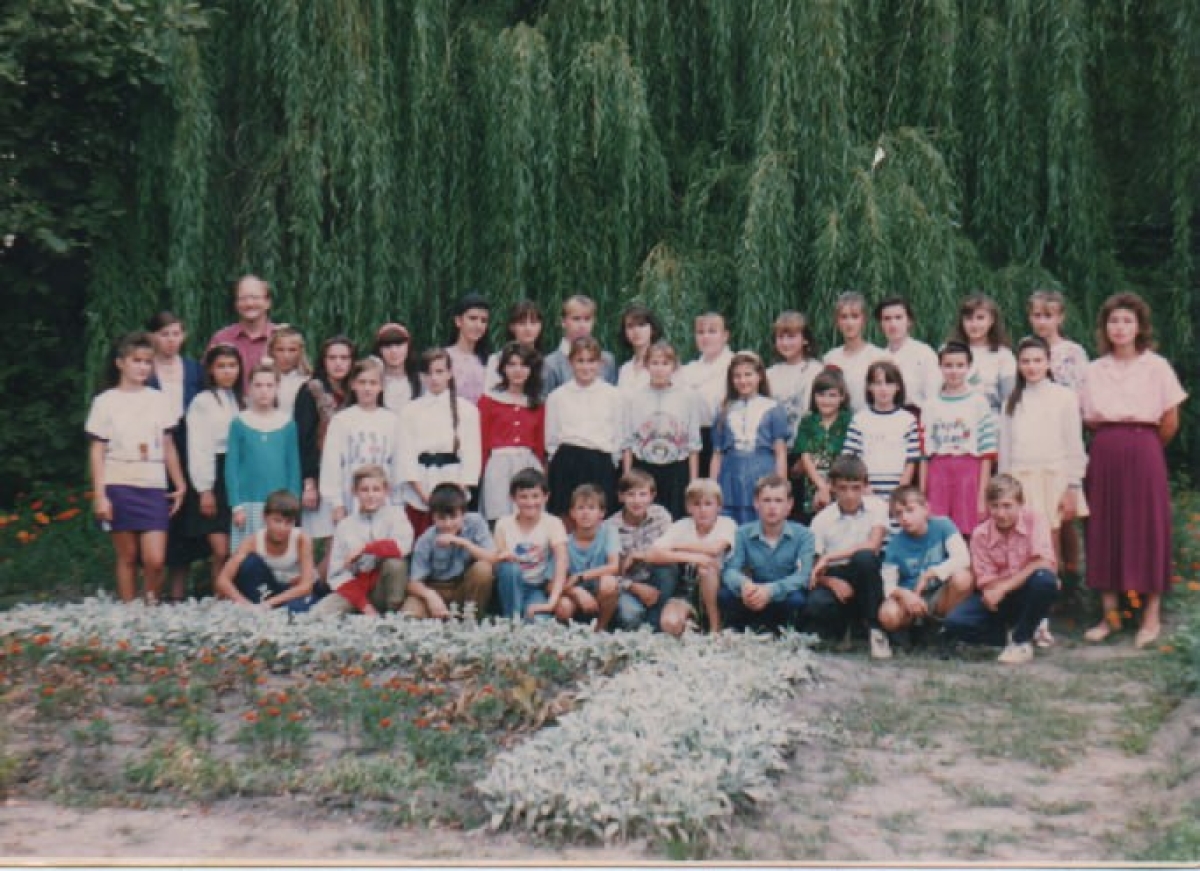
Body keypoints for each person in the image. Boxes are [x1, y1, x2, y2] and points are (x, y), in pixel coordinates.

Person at [1080, 292, 1187, 648]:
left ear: (1139, 326)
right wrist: (1115, 440)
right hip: (1105, 450)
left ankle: (1150, 617)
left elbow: (1170, 421)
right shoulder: (1094, 370)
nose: (1120, 327)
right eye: (1113, 321)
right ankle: (1110, 616)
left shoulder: (1157, 366)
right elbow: (1089, 419)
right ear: (1105, 327)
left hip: (1145, 449)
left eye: (1127, 321)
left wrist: (1143, 446)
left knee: (1148, 528)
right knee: (1104, 526)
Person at [86, 331, 188, 603]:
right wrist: (100, 495)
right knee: (128, 556)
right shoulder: (105, 402)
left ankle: (150, 605)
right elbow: (97, 451)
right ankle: (129, 612)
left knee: (155, 559)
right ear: (120, 363)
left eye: (147, 362)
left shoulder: (159, 400)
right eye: (136, 361)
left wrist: (179, 483)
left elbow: (168, 445)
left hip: (153, 485)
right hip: (119, 483)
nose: (143, 367)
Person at [943, 475, 1060, 664]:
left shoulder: (1035, 520)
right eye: (995, 506)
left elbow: (1045, 562)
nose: (1001, 513)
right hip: (999, 598)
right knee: (955, 623)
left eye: (1007, 506)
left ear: (1020, 504)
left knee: (1045, 580)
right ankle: (1015, 632)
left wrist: (1005, 587)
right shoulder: (980, 534)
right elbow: (987, 582)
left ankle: (1021, 642)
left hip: (1027, 590)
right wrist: (996, 591)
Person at [999, 335, 1087, 578]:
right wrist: (1005, 488)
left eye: (1038, 360)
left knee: (1050, 542)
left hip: (1053, 478)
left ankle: (1051, 591)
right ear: (1018, 365)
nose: (1032, 367)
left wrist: (1073, 486)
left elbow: (1074, 445)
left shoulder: (1064, 397)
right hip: (1020, 479)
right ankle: (1024, 594)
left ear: (1048, 363)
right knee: (1021, 542)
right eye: (1026, 361)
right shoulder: (1011, 402)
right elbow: (1005, 450)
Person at [145, 311, 206, 602]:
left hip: (188, 443)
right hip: (152, 446)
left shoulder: (194, 369)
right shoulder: (144, 369)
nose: (171, 340)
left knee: (184, 517)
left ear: (184, 336)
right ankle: (150, 588)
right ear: (152, 337)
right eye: (164, 334)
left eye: (176, 334)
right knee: (157, 513)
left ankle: (179, 590)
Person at [804, 456, 891, 658]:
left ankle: (876, 630)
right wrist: (831, 582)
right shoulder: (821, 520)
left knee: (865, 558)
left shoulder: (878, 506)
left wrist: (829, 556)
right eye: (843, 488)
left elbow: (873, 545)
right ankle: (844, 629)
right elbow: (813, 568)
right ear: (832, 487)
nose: (850, 495)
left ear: (865, 486)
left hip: (868, 573)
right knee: (817, 604)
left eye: (855, 488)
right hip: (836, 573)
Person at [398, 348, 482, 539]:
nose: (434, 378)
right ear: (421, 376)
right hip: (421, 487)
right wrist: (424, 496)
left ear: (449, 373)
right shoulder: (409, 411)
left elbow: (472, 457)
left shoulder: (467, 410)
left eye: (439, 372)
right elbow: (406, 456)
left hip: (454, 484)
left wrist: (456, 495)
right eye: (428, 373)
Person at [311, 465, 413, 617]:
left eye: (376, 489)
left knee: (396, 564)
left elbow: (402, 547)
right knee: (318, 614)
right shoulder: (345, 526)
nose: (371, 495)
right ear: (354, 491)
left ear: (386, 491)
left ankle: (392, 614)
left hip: (385, 587)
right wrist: (365, 606)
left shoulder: (397, 516)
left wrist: (365, 548)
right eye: (364, 490)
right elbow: (338, 574)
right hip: (357, 589)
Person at [877, 486, 973, 642]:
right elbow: (888, 586)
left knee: (963, 578)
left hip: (939, 593)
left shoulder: (943, 525)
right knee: (888, 615)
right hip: (911, 595)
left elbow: (963, 558)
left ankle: (942, 628)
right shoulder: (894, 545)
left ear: (926, 509)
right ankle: (910, 630)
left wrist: (930, 573)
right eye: (899, 513)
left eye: (910, 510)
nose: (905, 518)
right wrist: (905, 594)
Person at [920, 342, 997, 537]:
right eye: (948, 365)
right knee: (937, 528)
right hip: (938, 471)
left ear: (969, 367)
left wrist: (982, 497)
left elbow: (987, 453)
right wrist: (922, 494)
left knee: (968, 528)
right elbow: (924, 454)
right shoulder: (930, 405)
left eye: (960, 365)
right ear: (940, 366)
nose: (954, 371)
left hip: (968, 470)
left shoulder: (978, 402)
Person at [719, 474, 813, 633]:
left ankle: (783, 631)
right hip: (754, 592)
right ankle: (744, 630)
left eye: (778, 501)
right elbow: (730, 570)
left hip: (783, 593)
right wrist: (745, 585)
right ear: (756, 503)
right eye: (766, 500)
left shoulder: (804, 535)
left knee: (797, 600)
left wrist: (771, 590)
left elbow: (803, 575)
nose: (772, 507)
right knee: (725, 595)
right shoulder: (742, 533)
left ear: (789, 505)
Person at [183, 343, 243, 588]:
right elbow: (200, 446)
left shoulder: (241, 400)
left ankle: (230, 595)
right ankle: (219, 593)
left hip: (238, 472)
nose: (227, 371)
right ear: (210, 370)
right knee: (220, 549)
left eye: (232, 366)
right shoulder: (203, 401)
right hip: (213, 472)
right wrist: (205, 489)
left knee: (236, 546)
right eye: (221, 366)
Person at [621, 340, 702, 519]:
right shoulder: (634, 397)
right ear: (646, 365)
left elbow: (693, 446)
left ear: (675, 366)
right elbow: (627, 443)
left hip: (676, 469)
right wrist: (627, 479)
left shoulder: (688, 397)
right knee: (645, 519)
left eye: (665, 363)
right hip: (644, 468)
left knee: (675, 519)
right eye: (655, 363)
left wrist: (693, 483)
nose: (659, 369)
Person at [225, 362, 301, 552]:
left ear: (277, 388)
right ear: (249, 388)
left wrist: (293, 503)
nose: (264, 391)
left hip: (280, 505)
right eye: (258, 385)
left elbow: (293, 466)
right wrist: (236, 505)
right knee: (247, 557)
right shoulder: (239, 423)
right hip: (248, 504)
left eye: (269, 385)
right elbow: (232, 467)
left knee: (278, 556)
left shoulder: (287, 423)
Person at [646, 478, 737, 635]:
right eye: (696, 504)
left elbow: (714, 549)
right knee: (670, 624)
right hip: (687, 589)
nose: (702, 510)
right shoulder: (682, 525)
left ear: (719, 507)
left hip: (719, 588)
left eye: (708, 504)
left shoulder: (726, 523)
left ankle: (715, 627)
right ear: (688, 507)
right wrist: (693, 558)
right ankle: (695, 620)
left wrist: (677, 546)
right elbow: (651, 554)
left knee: (706, 568)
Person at [545, 337, 623, 517]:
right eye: (580, 361)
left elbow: (618, 435)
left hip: (600, 462)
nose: (586, 367)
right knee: (566, 515)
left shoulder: (613, 396)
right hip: (567, 461)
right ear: (570, 362)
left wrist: (611, 462)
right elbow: (551, 438)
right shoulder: (557, 396)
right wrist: (558, 460)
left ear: (600, 363)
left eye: (591, 361)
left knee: (598, 515)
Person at [319, 357, 402, 524]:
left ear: (381, 386)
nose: (367, 388)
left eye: (373, 383)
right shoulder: (342, 420)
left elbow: (399, 463)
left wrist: (398, 501)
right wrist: (336, 503)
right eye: (362, 382)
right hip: (351, 493)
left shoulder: (392, 420)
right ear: (353, 384)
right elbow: (331, 464)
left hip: (384, 493)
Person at [710, 351, 789, 524]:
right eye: (737, 376)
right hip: (730, 475)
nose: (743, 380)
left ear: (759, 376)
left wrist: (781, 485)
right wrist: (712, 487)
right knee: (729, 522)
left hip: (762, 472)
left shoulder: (773, 408)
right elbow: (717, 454)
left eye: (748, 374)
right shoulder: (724, 410)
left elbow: (780, 452)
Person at [294, 336, 355, 550]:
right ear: (323, 360)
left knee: (346, 540)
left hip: (351, 473)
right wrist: (309, 482)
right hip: (321, 474)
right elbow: (304, 438)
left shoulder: (357, 390)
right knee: (327, 540)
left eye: (344, 358)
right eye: (332, 358)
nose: (338, 363)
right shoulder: (311, 390)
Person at [403, 483, 496, 619]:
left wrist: (462, 542)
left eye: (453, 517)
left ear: (463, 514)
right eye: (441, 518)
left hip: (464, 586)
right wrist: (430, 596)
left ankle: (471, 620)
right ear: (433, 517)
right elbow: (413, 583)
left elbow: (492, 558)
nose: (448, 524)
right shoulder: (426, 540)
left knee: (483, 569)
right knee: (410, 612)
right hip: (436, 587)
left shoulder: (475, 523)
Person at [214, 490, 317, 611]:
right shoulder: (252, 541)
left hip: (293, 591)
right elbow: (223, 580)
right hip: (266, 589)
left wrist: (267, 604)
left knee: (295, 609)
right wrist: (245, 604)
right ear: (265, 517)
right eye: (277, 521)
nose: (282, 528)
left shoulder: (301, 539)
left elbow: (306, 586)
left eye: (288, 522)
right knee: (249, 563)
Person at [478, 342, 546, 522]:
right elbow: (482, 441)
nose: (518, 370)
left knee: (529, 513)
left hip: (527, 464)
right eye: (512, 364)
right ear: (503, 368)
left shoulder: (536, 403)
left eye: (524, 365)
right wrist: (481, 472)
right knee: (499, 515)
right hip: (498, 465)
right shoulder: (489, 401)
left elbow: (539, 443)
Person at [766, 311, 823, 516]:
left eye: (791, 336)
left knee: (804, 510)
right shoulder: (770, 374)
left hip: (807, 452)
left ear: (805, 339)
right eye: (780, 337)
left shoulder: (816, 370)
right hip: (777, 452)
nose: (785, 342)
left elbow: (820, 415)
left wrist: (805, 455)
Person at [604, 469, 676, 630]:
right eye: (631, 495)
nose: (637, 501)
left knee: (668, 569)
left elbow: (672, 552)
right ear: (621, 497)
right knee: (631, 615)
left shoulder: (660, 516)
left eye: (643, 494)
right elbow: (608, 572)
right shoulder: (610, 527)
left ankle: (655, 623)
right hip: (627, 584)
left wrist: (640, 555)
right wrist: (634, 587)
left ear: (652, 496)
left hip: (656, 579)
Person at [493, 468, 569, 620]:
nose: (530, 502)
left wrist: (551, 603)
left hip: (536, 587)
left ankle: (523, 617)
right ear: (513, 498)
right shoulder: (503, 524)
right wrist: (501, 557)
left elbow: (562, 561)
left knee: (539, 623)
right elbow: (496, 565)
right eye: (523, 497)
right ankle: (511, 620)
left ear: (546, 497)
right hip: (510, 585)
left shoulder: (553, 523)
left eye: (535, 496)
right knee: (510, 568)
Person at [842, 361, 920, 505]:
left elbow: (911, 460)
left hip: (897, 490)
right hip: (867, 490)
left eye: (889, 383)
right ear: (869, 387)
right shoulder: (859, 420)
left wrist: (901, 489)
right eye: (878, 383)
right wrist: (864, 485)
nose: (883, 389)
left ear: (898, 387)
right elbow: (850, 457)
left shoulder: (908, 420)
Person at [551, 484, 621, 630]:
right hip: (575, 594)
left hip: (599, 591)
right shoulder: (565, 542)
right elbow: (549, 584)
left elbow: (614, 566)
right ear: (572, 513)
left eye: (591, 508)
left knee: (609, 582)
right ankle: (568, 634)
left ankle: (600, 630)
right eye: (580, 508)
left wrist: (580, 576)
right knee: (563, 606)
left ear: (602, 513)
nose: (585, 513)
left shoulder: (609, 532)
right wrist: (576, 592)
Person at [676, 312, 734, 477]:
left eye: (712, 331)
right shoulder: (688, 370)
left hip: (725, 436)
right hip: (694, 438)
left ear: (725, 336)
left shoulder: (734, 364)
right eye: (700, 332)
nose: (705, 337)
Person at [792, 368, 853, 520]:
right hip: (812, 483)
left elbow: (848, 455)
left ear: (842, 397)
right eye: (821, 395)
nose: (826, 400)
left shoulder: (848, 421)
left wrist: (830, 487)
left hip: (841, 483)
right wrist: (822, 486)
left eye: (832, 395)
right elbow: (805, 455)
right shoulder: (808, 421)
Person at [949, 292, 1016, 416]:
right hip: (953, 416)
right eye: (969, 318)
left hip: (990, 417)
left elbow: (1009, 397)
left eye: (980, 318)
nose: (974, 324)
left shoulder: (1003, 355)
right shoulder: (949, 350)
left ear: (991, 320)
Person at [823, 291, 889, 412]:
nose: (849, 323)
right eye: (844, 317)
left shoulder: (878, 357)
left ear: (864, 320)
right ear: (837, 321)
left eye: (855, 316)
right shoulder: (830, 358)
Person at [542, 295, 617, 394]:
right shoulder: (550, 364)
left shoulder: (607, 360)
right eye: (576, 319)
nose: (582, 325)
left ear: (594, 321)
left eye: (587, 319)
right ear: (563, 322)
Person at [875, 296, 940, 410]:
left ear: (909, 321)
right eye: (887, 319)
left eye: (898, 317)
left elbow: (933, 396)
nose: (893, 324)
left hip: (918, 414)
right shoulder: (877, 358)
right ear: (881, 323)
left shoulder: (924, 353)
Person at [208, 275, 276, 382]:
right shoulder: (221, 339)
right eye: (243, 298)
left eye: (255, 297)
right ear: (236, 304)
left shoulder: (281, 337)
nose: (249, 303)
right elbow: (207, 378)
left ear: (268, 302)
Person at [1027, 289, 1088, 393]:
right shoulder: (1025, 346)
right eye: (1037, 315)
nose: (1042, 322)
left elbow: (1082, 388)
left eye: (1048, 316)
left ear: (1060, 318)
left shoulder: (1073, 352)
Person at [484, 299, 545, 391]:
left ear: (540, 326)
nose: (528, 328)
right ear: (512, 327)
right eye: (522, 323)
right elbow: (489, 393)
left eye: (533, 322)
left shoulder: (546, 363)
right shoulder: (497, 360)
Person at [444, 292, 491, 404]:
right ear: (458, 321)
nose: (478, 325)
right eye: (472, 318)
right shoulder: (444, 357)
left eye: (483, 320)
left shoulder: (490, 362)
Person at [374, 322, 421, 414]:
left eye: (399, 345)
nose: (394, 351)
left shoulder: (420, 381)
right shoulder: (372, 381)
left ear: (408, 347)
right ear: (379, 350)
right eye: (387, 346)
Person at [616, 303, 664, 392]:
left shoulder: (664, 363)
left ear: (652, 329)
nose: (636, 331)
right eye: (630, 326)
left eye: (641, 325)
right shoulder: (625, 369)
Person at [265, 326, 312, 417]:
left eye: (292, 350)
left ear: (300, 352)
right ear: (271, 351)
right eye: (280, 350)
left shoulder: (308, 381)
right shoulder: (264, 378)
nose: (286, 356)